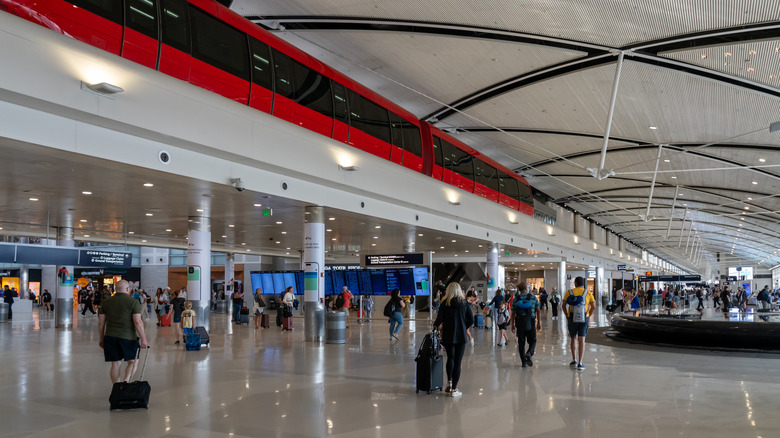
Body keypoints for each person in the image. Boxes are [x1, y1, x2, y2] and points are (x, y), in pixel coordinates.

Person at [98, 280, 148, 384]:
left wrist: (101, 338)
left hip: (110, 337)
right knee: (132, 361)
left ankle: (116, 387)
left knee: (115, 363)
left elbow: (101, 323)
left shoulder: (106, 302)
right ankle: (125, 382)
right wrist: (144, 339)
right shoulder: (133, 302)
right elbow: (138, 322)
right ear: (127, 289)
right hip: (128, 338)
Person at [434, 282, 473, 397]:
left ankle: (449, 382)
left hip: (448, 335)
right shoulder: (464, 303)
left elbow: (438, 320)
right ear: (459, 290)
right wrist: (463, 326)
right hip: (461, 336)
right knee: (458, 361)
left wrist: (437, 326)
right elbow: (471, 320)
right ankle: (454, 389)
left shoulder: (445, 303)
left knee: (450, 358)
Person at [563, 276, 596, 370]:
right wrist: (588, 315)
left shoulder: (569, 292)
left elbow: (563, 305)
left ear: (575, 283)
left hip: (572, 317)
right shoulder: (588, 292)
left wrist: (567, 315)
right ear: (583, 283)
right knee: (582, 340)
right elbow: (593, 305)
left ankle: (574, 360)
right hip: (584, 318)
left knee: (573, 338)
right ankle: (580, 363)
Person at [511, 282, 541, 367]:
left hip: (520, 323)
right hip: (531, 323)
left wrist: (512, 325)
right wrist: (539, 322)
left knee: (521, 343)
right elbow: (538, 310)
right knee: (533, 340)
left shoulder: (516, 299)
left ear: (519, 290)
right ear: (526, 288)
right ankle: (529, 353)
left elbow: (513, 313)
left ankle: (523, 363)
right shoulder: (533, 297)